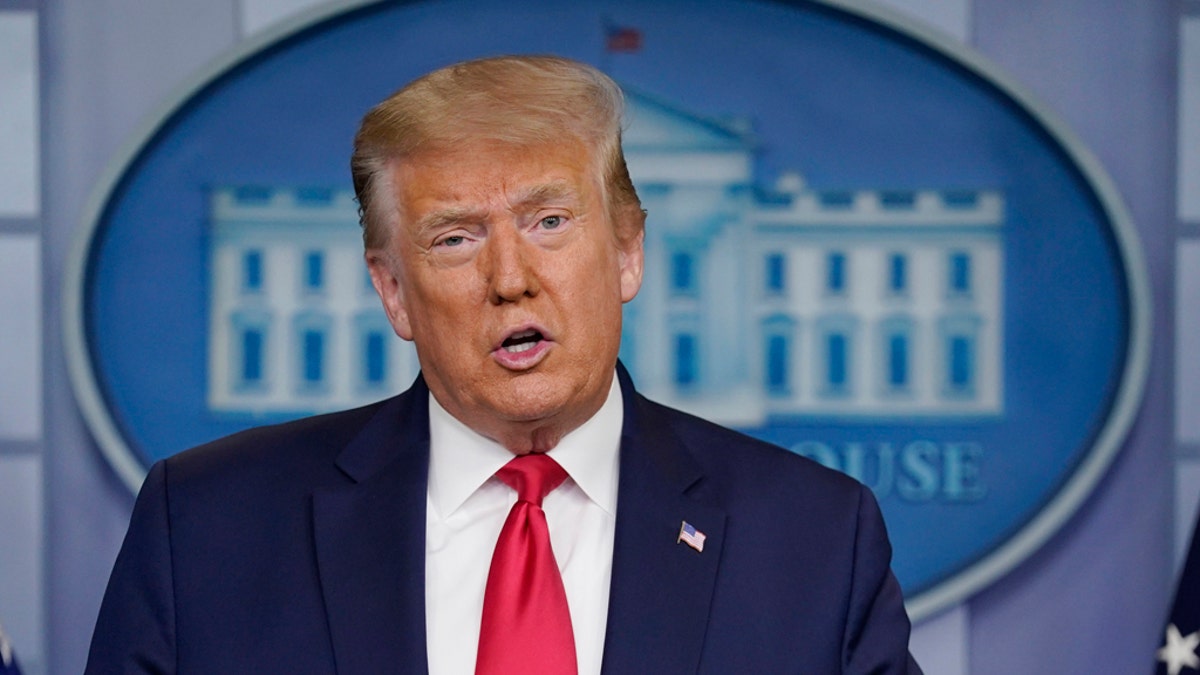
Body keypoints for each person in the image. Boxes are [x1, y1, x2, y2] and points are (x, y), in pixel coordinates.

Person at [86, 55, 921, 674]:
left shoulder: (814, 539)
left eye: (550, 222)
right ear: (393, 292)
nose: (511, 278)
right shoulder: (204, 530)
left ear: (628, 252)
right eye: (456, 238)